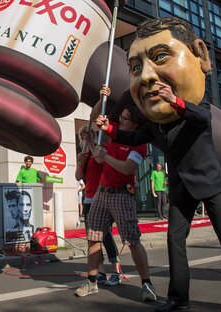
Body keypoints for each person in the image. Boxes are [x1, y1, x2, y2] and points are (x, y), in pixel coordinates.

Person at [96, 17, 221, 312]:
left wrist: (175, 100)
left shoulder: (199, 112)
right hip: (181, 189)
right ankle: (178, 300)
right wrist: (107, 129)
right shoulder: (155, 127)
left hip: (210, 183)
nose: (146, 77)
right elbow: (130, 137)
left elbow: (199, 118)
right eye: (136, 68)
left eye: (160, 57)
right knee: (175, 242)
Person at [77, 92, 156, 302]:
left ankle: (147, 284)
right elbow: (96, 117)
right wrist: (100, 98)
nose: (119, 121)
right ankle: (92, 281)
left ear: (136, 123)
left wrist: (106, 157)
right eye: (119, 118)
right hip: (102, 194)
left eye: (125, 119)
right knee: (93, 237)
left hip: (122, 195)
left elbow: (128, 167)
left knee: (132, 240)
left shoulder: (139, 144)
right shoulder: (115, 131)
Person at [75, 125, 121, 287]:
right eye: (82, 136)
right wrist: (83, 157)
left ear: (94, 135)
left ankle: (116, 271)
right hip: (88, 199)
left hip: (103, 197)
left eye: (87, 135)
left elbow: (101, 159)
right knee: (93, 238)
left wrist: (92, 144)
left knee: (106, 235)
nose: (84, 138)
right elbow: (78, 176)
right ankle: (101, 271)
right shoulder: (84, 155)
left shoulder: (101, 149)